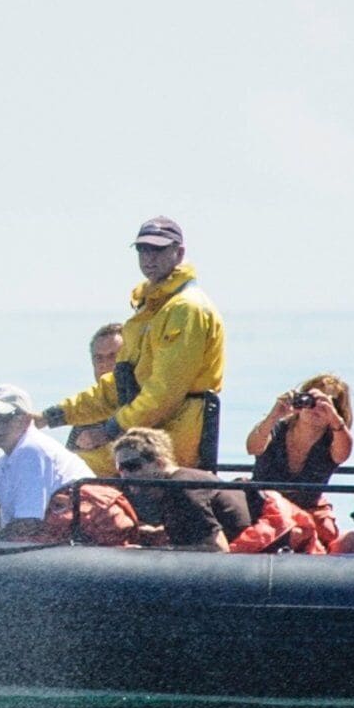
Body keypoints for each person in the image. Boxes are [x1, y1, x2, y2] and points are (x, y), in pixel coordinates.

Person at [42, 218, 227, 472]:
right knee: (61, 462)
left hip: (170, 442)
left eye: (158, 249)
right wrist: (48, 417)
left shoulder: (186, 309)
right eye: (143, 250)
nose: (149, 258)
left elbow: (163, 394)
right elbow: (119, 386)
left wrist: (108, 431)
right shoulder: (151, 309)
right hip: (144, 436)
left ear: (179, 252)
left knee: (64, 468)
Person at [0, 383, 90, 541]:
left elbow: (29, 523)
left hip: (80, 543)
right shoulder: (4, 462)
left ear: (26, 420)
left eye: (2, 419)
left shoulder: (31, 450)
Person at [112, 428, 251, 550]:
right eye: (121, 469)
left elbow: (218, 548)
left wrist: (152, 551)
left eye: (132, 466)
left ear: (159, 463)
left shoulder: (181, 489)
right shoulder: (182, 481)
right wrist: (158, 532)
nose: (125, 475)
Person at [243, 374, 354, 499]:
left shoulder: (334, 441)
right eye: (311, 400)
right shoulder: (276, 428)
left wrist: (333, 417)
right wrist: (273, 416)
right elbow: (252, 448)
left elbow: (343, 454)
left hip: (303, 508)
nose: (316, 407)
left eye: (325, 403)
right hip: (260, 502)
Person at [66, 324, 127, 467]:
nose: (105, 364)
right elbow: (67, 466)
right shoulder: (86, 414)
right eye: (99, 358)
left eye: (113, 356)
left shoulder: (145, 404)